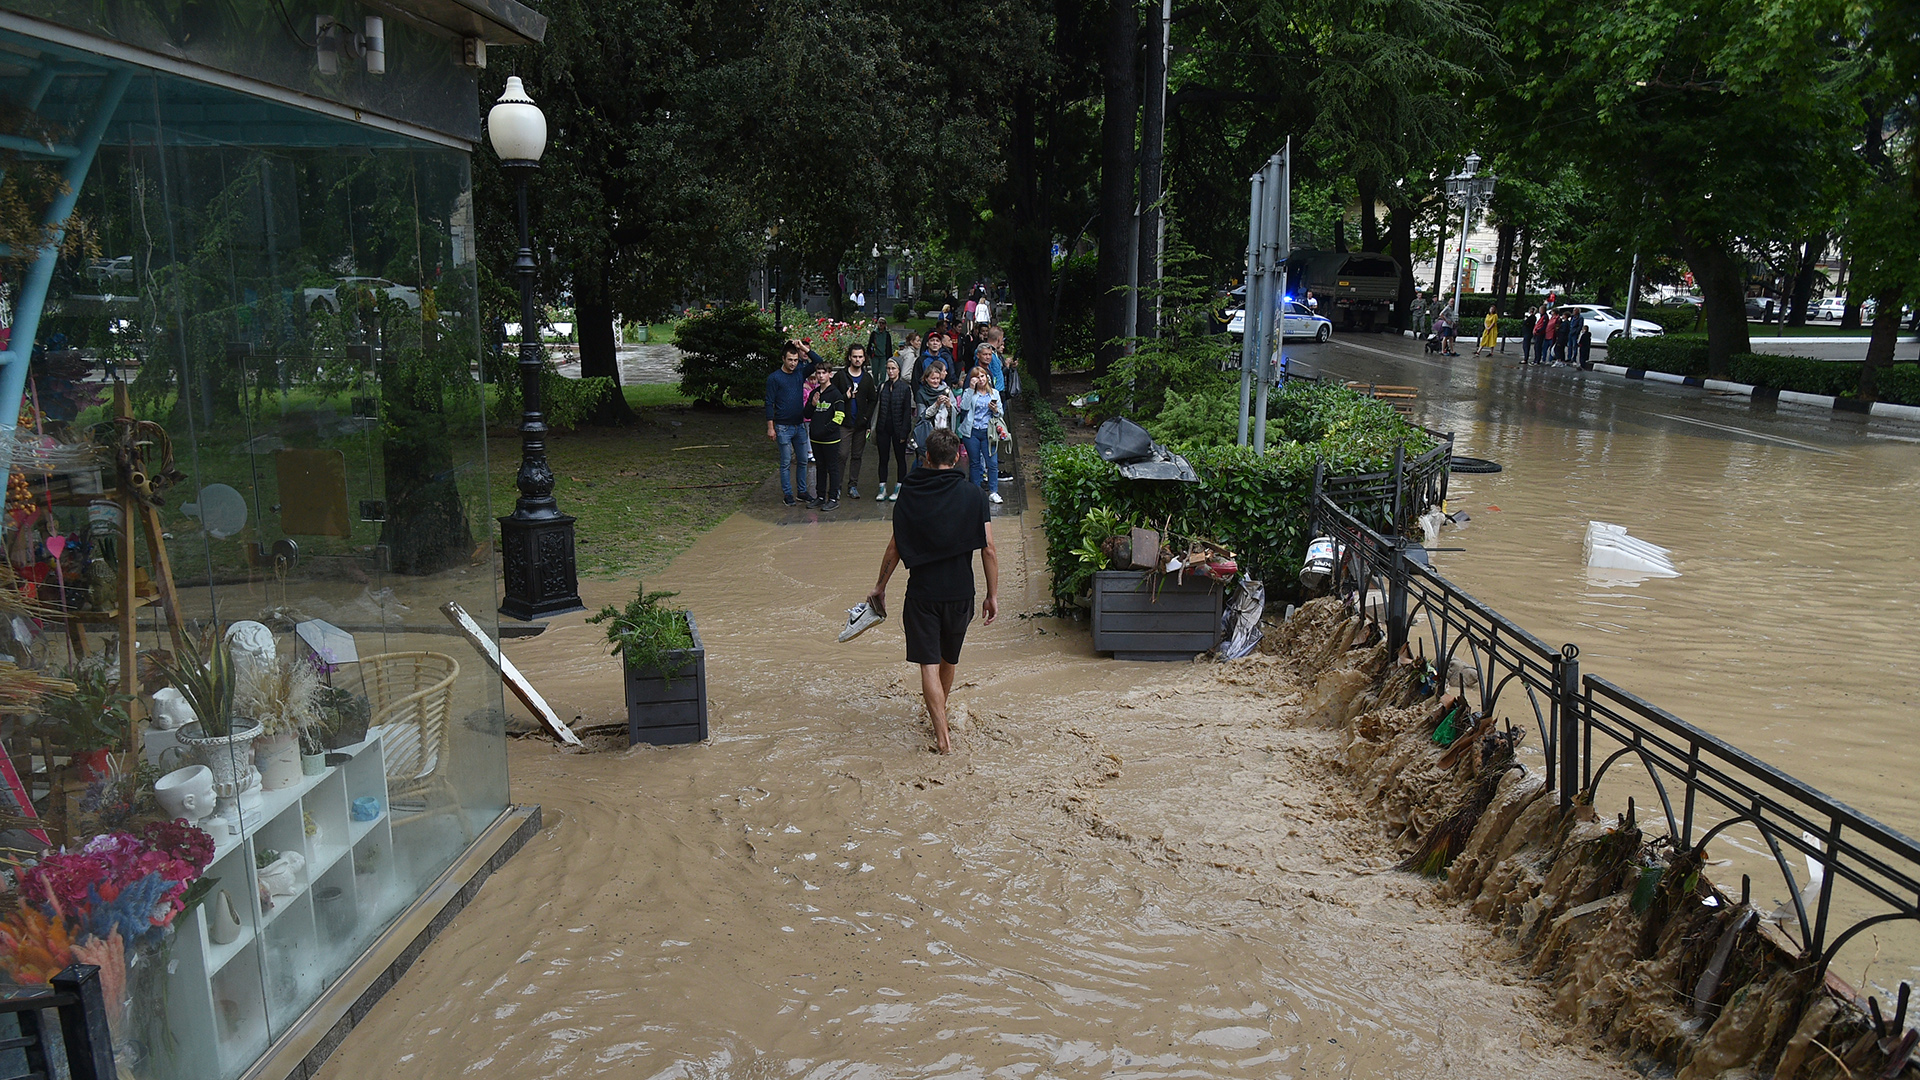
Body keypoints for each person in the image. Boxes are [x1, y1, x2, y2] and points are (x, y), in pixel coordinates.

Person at [865, 427, 998, 755]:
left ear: (926, 457)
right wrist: (992, 595)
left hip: (923, 593)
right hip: (961, 594)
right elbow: (989, 549)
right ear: (956, 458)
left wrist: (880, 587)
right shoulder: (974, 495)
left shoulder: (910, 493)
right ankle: (939, 715)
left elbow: (896, 546)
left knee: (927, 666)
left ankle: (942, 738)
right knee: (947, 660)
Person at [765, 340, 818, 506]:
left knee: (803, 460)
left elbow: (817, 361)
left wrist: (803, 348)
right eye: (790, 360)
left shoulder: (800, 372)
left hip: (799, 425)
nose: (793, 363)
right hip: (783, 426)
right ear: (783, 359)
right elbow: (768, 402)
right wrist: (770, 427)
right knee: (786, 462)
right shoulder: (774, 378)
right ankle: (787, 493)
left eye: (795, 360)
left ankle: (802, 491)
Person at [832, 345, 880, 498]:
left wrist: (866, 417)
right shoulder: (841, 376)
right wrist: (844, 397)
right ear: (849, 357)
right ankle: (836, 486)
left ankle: (853, 485)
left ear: (864, 358)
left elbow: (873, 399)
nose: (858, 359)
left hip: (860, 424)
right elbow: (832, 395)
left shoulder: (867, 378)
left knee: (857, 456)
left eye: (860, 357)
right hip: (844, 423)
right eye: (855, 356)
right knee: (842, 454)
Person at [955, 361, 1004, 504]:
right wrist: (970, 389)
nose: (981, 379)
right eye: (977, 377)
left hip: (989, 432)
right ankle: (975, 491)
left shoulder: (994, 393)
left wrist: (994, 410)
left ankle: (993, 491)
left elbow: (1000, 413)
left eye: (983, 376)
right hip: (972, 431)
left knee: (992, 463)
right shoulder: (969, 392)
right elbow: (963, 407)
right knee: (975, 462)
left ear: (987, 377)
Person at [805, 366, 848, 510]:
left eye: (824, 373)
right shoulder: (814, 393)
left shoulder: (836, 394)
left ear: (830, 374)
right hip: (816, 440)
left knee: (833, 468)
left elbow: (840, 417)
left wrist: (825, 430)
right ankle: (820, 496)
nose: (821, 375)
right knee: (820, 468)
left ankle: (833, 498)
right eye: (818, 373)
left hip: (831, 440)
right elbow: (807, 414)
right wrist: (812, 405)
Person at [873, 357, 915, 501]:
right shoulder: (883, 387)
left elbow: (906, 412)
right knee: (883, 458)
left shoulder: (904, 388)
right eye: (889, 368)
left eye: (893, 368)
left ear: (899, 370)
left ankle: (899, 485)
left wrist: (905, 431)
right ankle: (882, 487)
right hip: (883, 427)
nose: (890, 371)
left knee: (900, 458)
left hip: (898, 428)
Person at [913, 361, 956, 472]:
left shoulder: (946, 391)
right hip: (929, 433)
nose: (936, 381)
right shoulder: (921, 393)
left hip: (944, 431)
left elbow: (955, 412)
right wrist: (936, 405)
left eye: (938, 378)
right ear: (926, 379)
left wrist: (948, 405)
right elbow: (923, 415)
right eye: (933, 378)